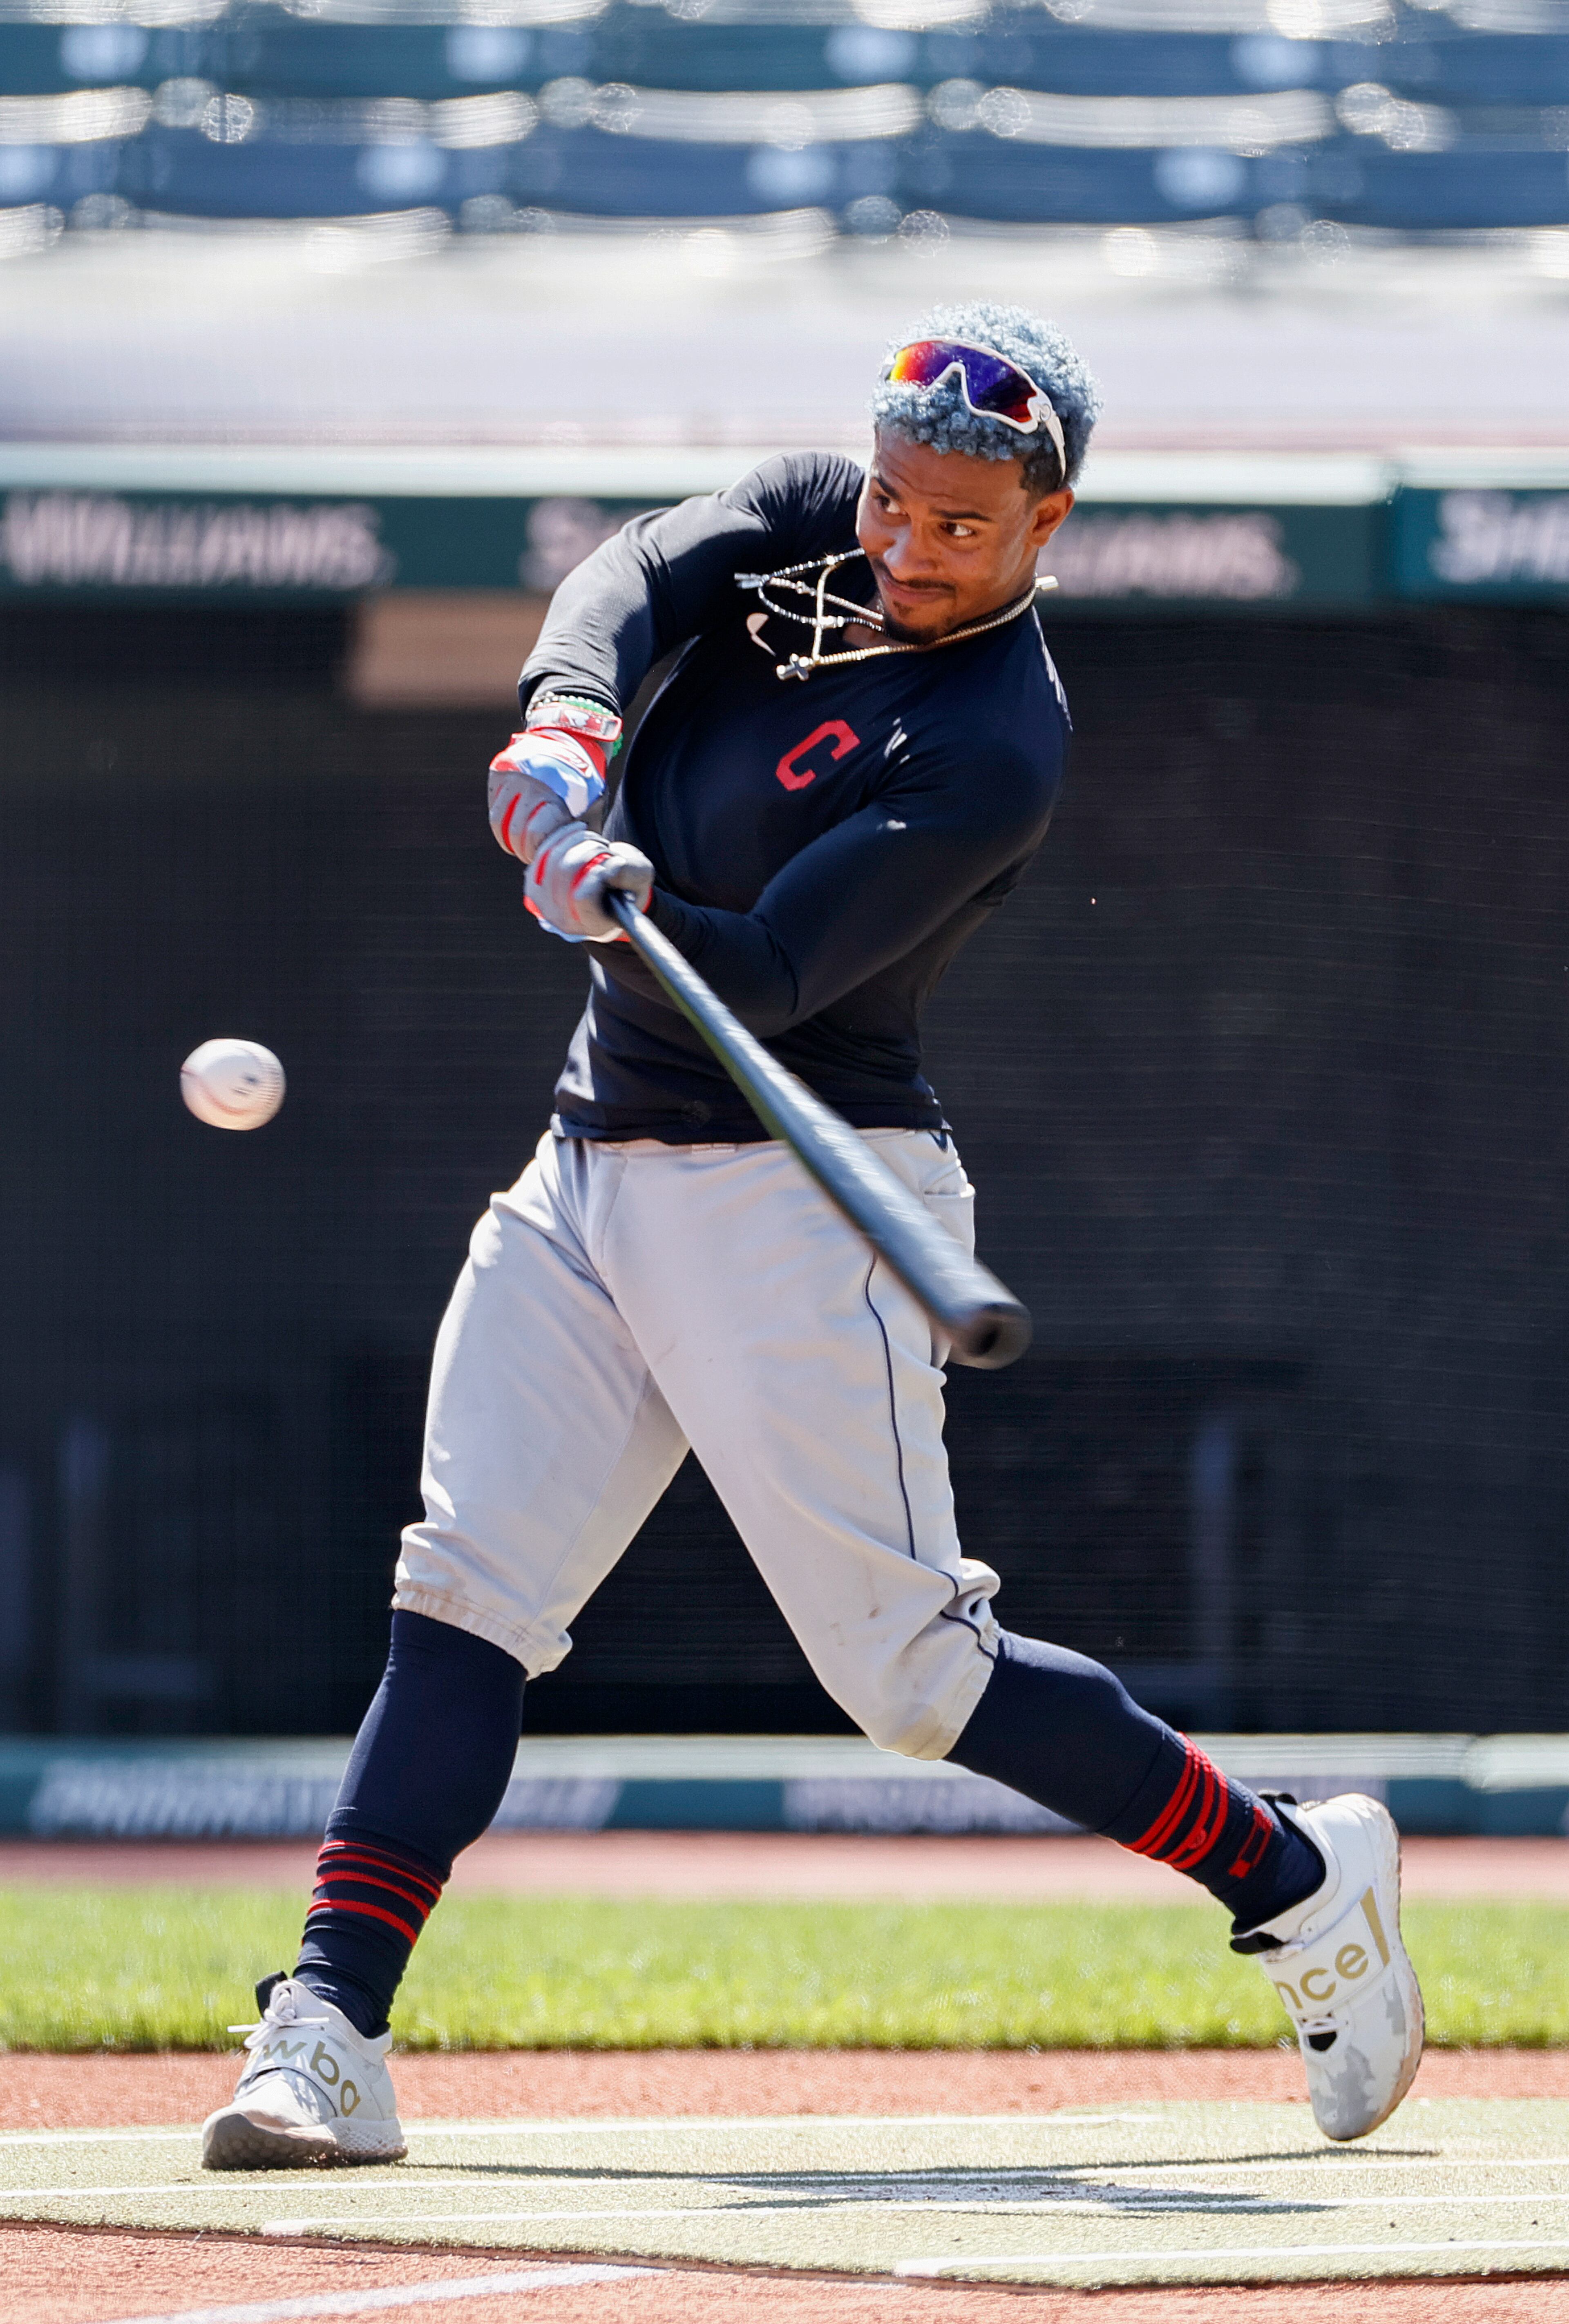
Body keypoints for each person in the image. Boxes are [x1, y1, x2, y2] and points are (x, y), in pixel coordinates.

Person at [203, 303, 1422, 2171]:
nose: (910, 547)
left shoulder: (1000, 740)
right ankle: (327, 2029)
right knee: (466, 1590)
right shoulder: (809, 521)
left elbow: (762, 980)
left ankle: (1295, 1873)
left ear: (1048, 527)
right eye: (898, 503)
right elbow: (631, 567)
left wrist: (617, 897)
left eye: (961, 526)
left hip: (802, 1186)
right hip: (591, 1161)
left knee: (914, 1675)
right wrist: (569, 715)